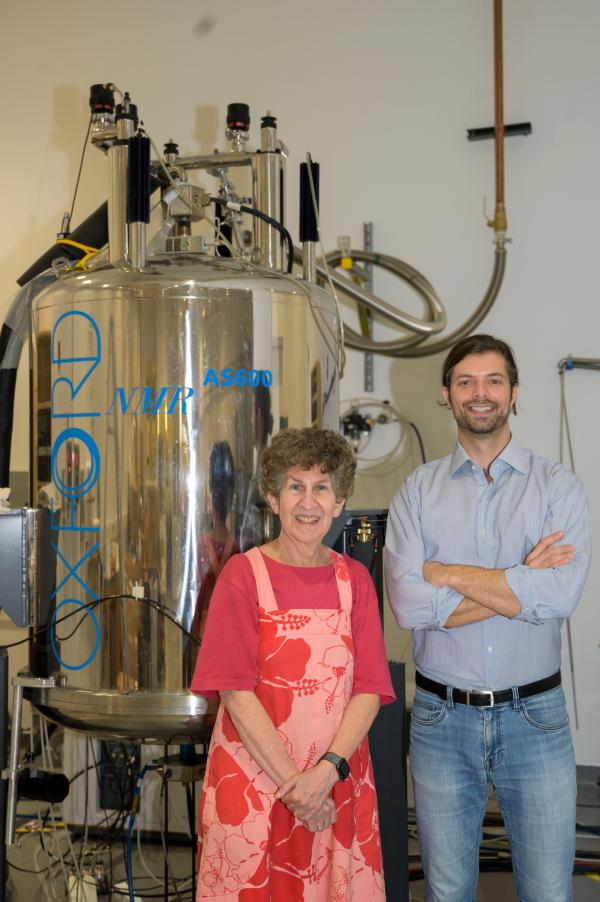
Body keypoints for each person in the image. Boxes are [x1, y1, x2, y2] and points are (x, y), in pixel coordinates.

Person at [384, 334, 590, 902]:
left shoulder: (558, 489)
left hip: (536, 717)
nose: (481, 394)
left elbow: (557, 597)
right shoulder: (416, 493)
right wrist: (520, 576)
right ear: (446, 395)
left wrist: (445, 571)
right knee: (447, 891)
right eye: (466, 382)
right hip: (439, 719)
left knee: (549, 892)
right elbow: (408, 606)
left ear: (515, 393)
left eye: (494, 381)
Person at [191, 427, 394, 900]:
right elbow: (235, 694)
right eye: (296, 486)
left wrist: (325, 773)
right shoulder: (243, 576)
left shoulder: (356, 581)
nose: (309, 502)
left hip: (335, 781)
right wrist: (297, 788)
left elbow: (368, 688)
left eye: (322, 488)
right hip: (256, 785)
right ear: (273, 497)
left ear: (340, 500)